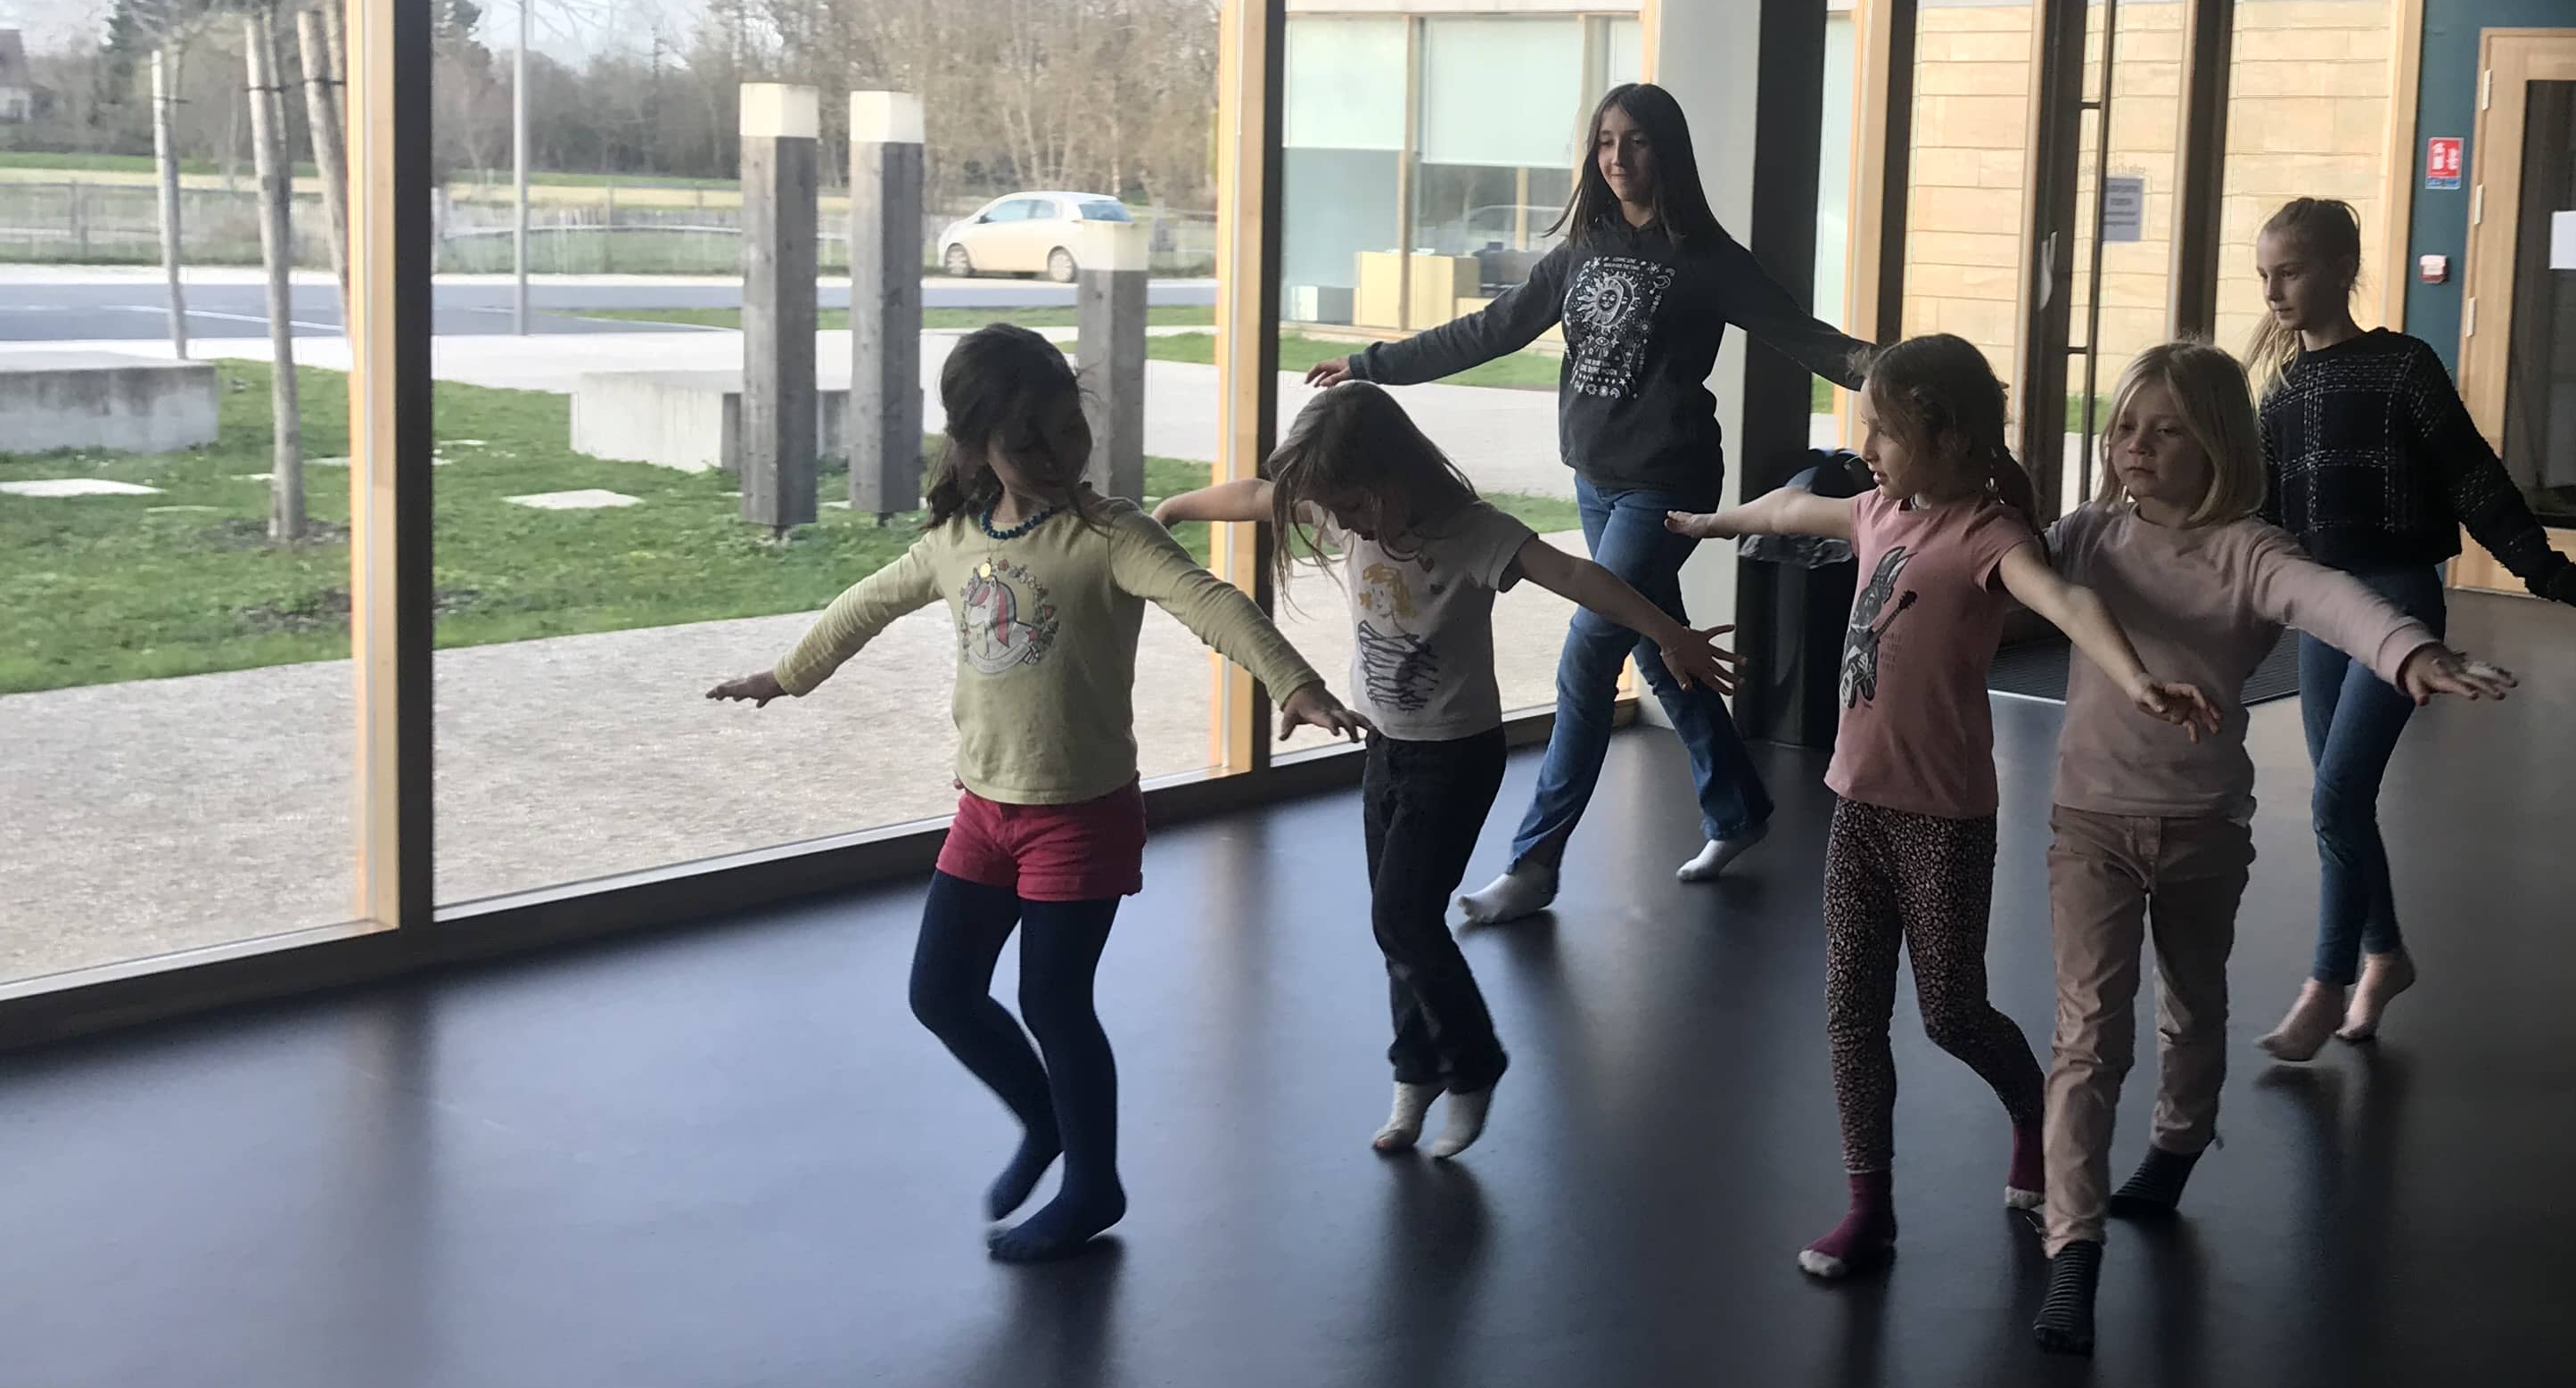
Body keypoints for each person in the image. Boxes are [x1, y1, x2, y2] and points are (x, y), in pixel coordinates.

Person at [707, 324, 1359, 1260]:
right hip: (985, 807)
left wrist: (1290, 680)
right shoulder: (956, 540)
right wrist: (787, 674)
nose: (1055, 458)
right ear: (976, 448)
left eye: (1067, 430)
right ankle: (1049, 1124)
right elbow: (866, 604)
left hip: (1081, 814)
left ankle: (1094, 1184)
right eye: (1026, 442)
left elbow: (1210, 600)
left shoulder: (1108, 536)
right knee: (942, 993)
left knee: (1055, 1003)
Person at [1668, 333, 2216, 1285]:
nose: (1868, 447)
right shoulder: (1881, 510)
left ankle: (2033, 1113)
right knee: (1849, 1016)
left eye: (1884, 430)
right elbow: (1797, 508)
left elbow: (2069, 602)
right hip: (1857, 808)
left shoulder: (1988, 540)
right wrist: (1713, 523)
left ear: (1949, 438)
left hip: (1943, 819)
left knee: (1952, 1014)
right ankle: (1868, 1208)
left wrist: (2134, 677)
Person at [2028, 341, 2511, 1357]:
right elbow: (1993, 563)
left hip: (2203, 825)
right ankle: (2072, 1249)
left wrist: (2409, 650)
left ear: (2217, 445)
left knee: (2194, 1005)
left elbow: (2336, 603)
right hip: (2091, 822)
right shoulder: (2082, 538)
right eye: (2125, 426)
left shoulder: (2250, 551)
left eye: (2166, 430)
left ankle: (2178, 1140)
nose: (2137, 446)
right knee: (2084, 1036)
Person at [1307, 82, 1870, 922]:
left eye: (1635, 142)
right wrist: (1374, 363)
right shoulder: (1584, 246)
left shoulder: (1708, 258)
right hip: (1597, 480)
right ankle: (1739, 810)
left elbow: (1811, 340)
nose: (1616, 158)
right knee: (1652, 645)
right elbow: (1490, 329)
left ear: (1666, 152)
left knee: (1585, 656)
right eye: (1605, 142)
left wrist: (1914, 379)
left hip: (1667, 484)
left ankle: (1535, 863)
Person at [1156, 382, 1735, 1161]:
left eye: (1362, 508)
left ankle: (1474, 1063)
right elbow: (1262, 496)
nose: (1351, 525)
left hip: (1456, 756)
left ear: (1399, 475)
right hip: (1385, 750)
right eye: (1343, 511)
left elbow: (1579, 577)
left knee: (1402, 919)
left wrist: (1670, 634)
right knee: (1400, 926)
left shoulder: (1473, 532)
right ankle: (1415, 1073)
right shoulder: (1342, 502)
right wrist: (1174, 510)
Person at [2243, 194, 2576, 1064]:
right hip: (2320, 614)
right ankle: (2386, 954)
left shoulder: (2401, 368)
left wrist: (2551, 572)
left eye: (2291, 271)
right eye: (2264, 274)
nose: (2273, 291)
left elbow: (2473, 477)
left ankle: (2326, 981)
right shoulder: (2282, 389)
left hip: (2400, 601)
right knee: (2340, 806)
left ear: (2343, 268)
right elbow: (2261, 514)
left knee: (2337, 797)